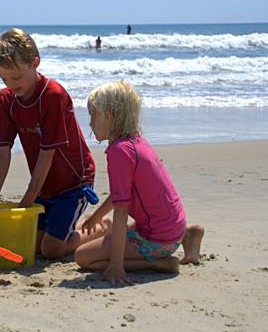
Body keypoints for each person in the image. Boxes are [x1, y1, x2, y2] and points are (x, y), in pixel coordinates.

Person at [0, 28, 100, 260]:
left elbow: (48, 153)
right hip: (45, 186)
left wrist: (27, 201)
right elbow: (3, 151)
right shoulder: (6, 99)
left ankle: (102, 227)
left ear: (34, 63)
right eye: (4, 78)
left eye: (16, 77)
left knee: (51, 250)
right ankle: (76, 225)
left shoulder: (53, 95)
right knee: (31, 246)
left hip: (74, 183)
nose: (10, 84)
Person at [74, 80, 204, 285]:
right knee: (108, 230)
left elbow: (122, 209)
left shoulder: (119, 151)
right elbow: (121, 194)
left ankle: (159, 264)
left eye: (93, 115)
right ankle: (188, 234)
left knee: (84, 257)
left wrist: (116, 265)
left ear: (108, 116)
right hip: (173, 227)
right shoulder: (137, 141)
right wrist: (97, 216)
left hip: (157, 239)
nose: (89, 123)